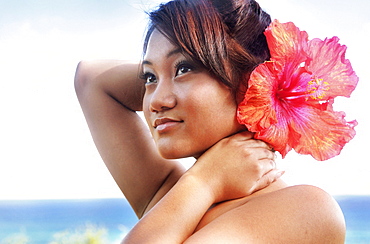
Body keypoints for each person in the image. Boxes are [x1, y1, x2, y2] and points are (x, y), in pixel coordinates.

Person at [74, 0, 346, 242]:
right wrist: (206, 180)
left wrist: (205, 183)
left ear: (253, 81)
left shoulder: (306, 209)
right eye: (149, 78)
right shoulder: (176, 198)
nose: (155, 101)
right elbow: (90, 79)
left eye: (185, 68)